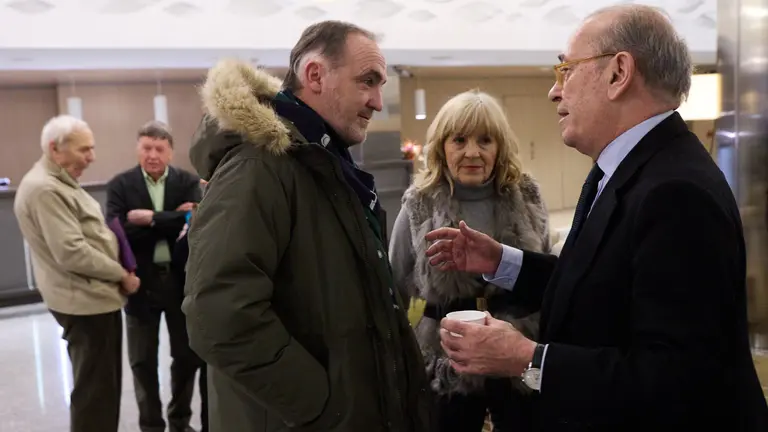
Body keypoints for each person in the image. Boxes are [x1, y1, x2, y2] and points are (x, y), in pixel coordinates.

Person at [425, 5, 768, 431]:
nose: (555, 91)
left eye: (566, 70)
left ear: (618, 73)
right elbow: (595, 287)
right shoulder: (630, 169)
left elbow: (676, 378)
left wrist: (526, 357)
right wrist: (500, 262)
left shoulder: (676, 192)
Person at [182, 20, 431, 432]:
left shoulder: (323, 164)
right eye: (367, 81)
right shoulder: (257, 167)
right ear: (315, 74)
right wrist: (326, 407)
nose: (377, 101)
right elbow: (219, 316)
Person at [389, 90, 548, 432]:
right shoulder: (419, 204)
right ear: (442, 147)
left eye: (485, 140)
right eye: (459, 140)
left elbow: (546, 274)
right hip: (446, 361)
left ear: (500, 147)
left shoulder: (528, 195)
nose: (472, 152)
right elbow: (395, 287)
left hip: (516, 356)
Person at [13, 115, 140, 432]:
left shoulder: (57, 180)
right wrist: (121, 274)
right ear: (56, 149)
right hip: (85, 302)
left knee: (102, 388)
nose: (91, 157)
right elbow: (72, 252)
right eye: (84, 150)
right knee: (95, 393)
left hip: (92, 298)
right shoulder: (45, 189)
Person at [106, 121, 204, 432]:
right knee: (142, 362)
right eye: (146, 147)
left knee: (186, 358)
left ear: (170, 152)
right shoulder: (120, 185)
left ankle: (179, 422)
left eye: (159, 149)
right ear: (138, 148)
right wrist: (172, 220)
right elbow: (118, 229)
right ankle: (151, 425)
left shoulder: (188, 182)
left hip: (180, 283)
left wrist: (149, 218)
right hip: (139, 283)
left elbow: (194, 222)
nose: (152, 155)